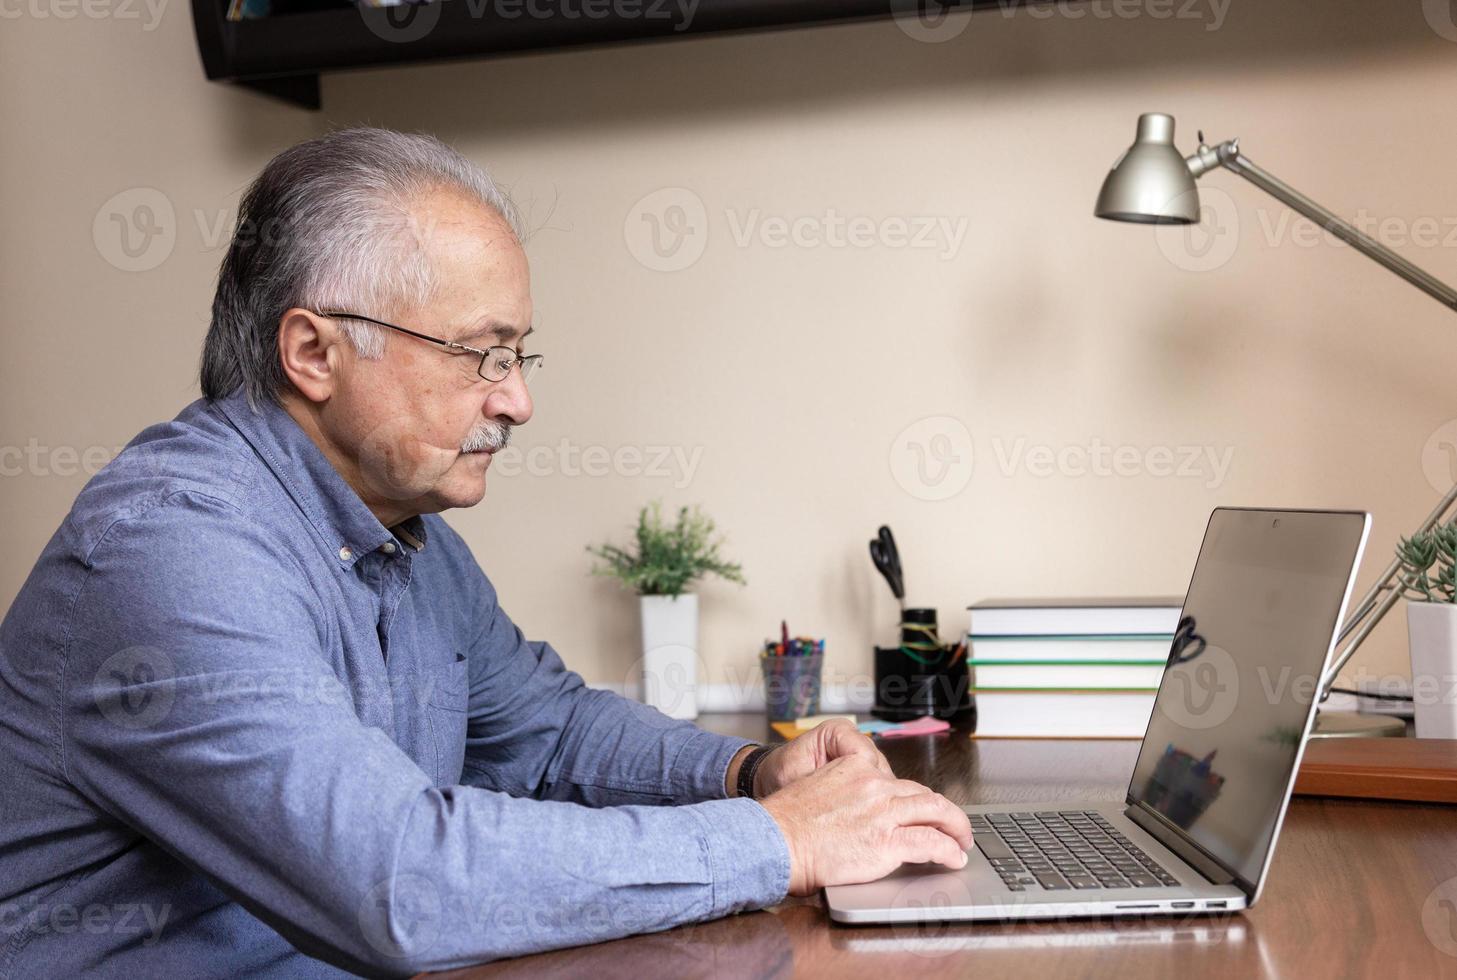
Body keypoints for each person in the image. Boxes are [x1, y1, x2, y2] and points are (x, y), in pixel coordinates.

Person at [0, 128, 971, 978]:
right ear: (313, 352)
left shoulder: (405, 530)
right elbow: (395, 879)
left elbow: (548, 736)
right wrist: (777, 842)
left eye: (517, 356)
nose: (516, 401)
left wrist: (755, 774)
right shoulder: (172, 549)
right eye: (481, 354)